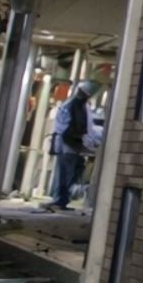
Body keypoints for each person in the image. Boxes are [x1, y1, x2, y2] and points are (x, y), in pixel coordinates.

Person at [45, 78, 99, 212]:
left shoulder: (78, 106)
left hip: (71, 146)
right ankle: (59, 200)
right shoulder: (73, 106)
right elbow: (67, 129)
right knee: (65, 175)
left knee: (67, 175)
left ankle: (61, 200)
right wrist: (83, 143)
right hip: (68, 146)